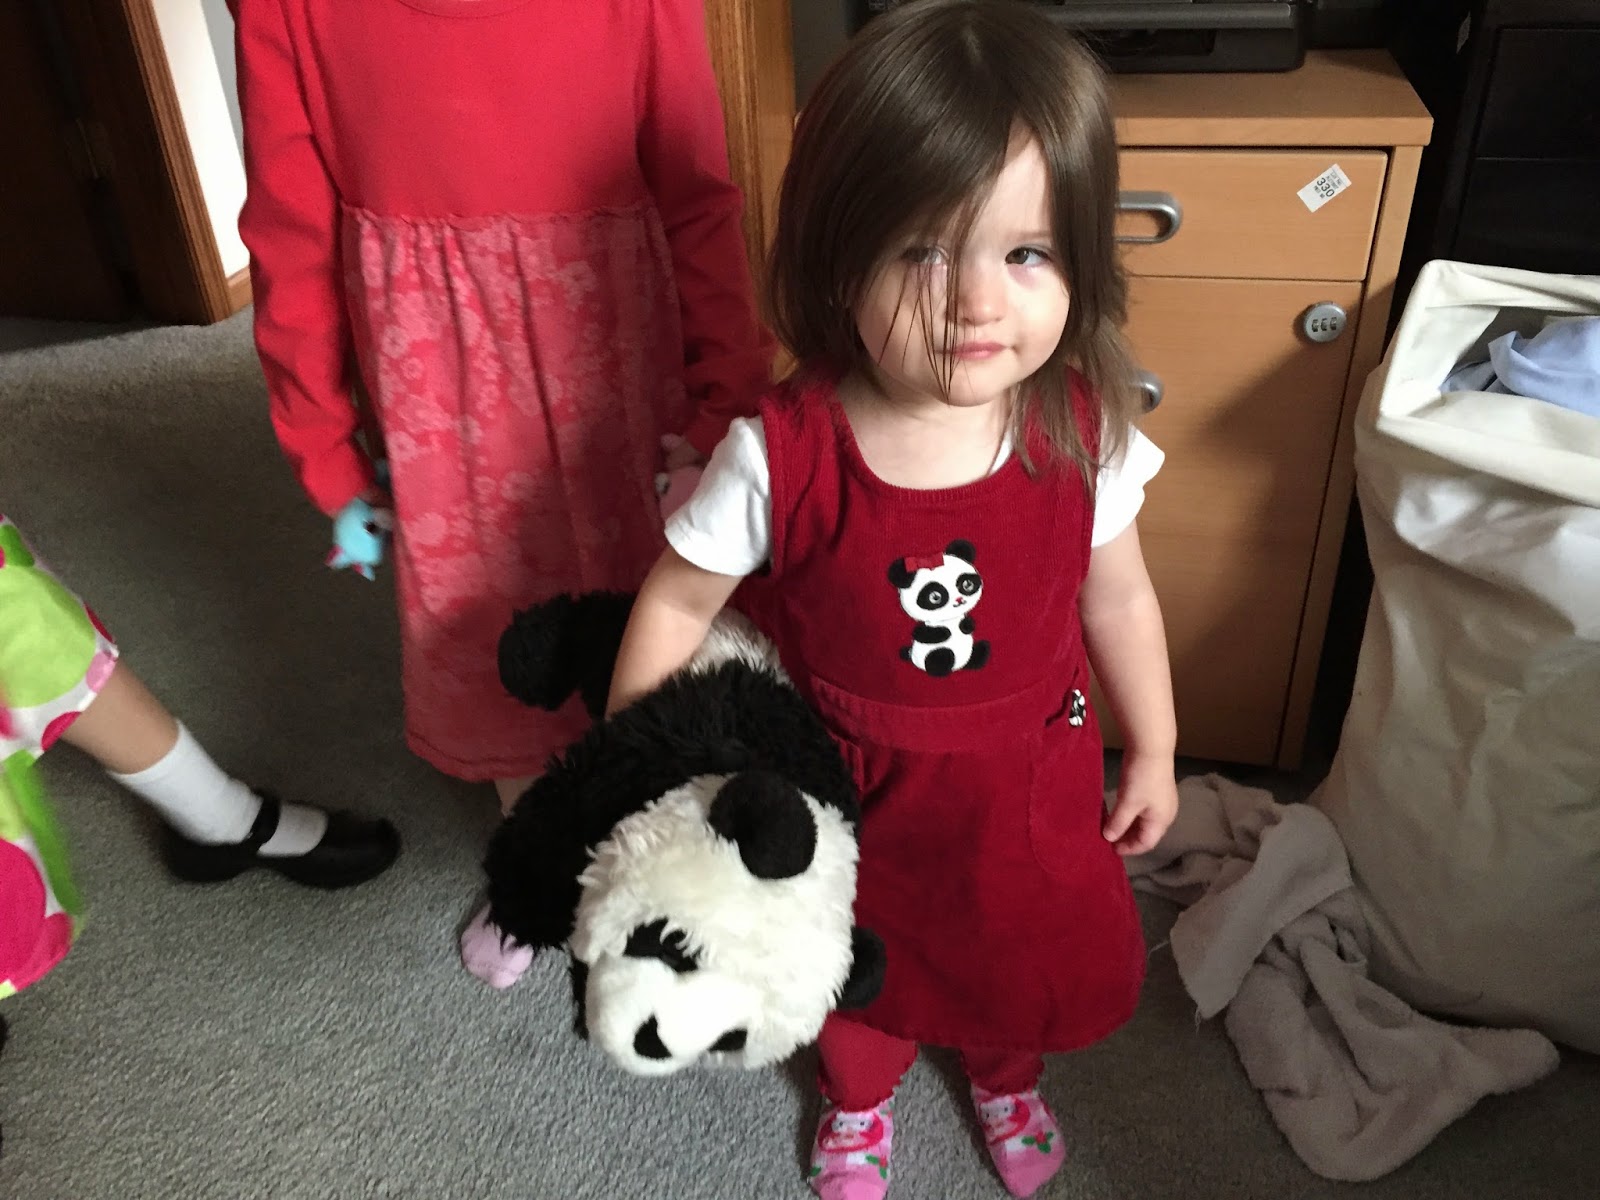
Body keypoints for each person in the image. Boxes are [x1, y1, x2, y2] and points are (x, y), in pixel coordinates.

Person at [601, 3, 1179, 1196]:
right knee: (854, 961)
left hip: (1026, 778)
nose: (976, 302)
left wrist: (1158, 748)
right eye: (922, 250)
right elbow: (676, 602)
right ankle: (857, 1098)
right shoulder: (781, 453)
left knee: (1012, 948)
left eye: (1025, 253)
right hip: (848, 784)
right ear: (837, 256)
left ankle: (1005, 1074)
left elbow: (1118, 599)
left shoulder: (1081, 432)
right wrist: (635, 759)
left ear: (1081, 259)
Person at [229, 0, 774, 985]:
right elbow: (289, 244)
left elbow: (700, 200)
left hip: (619, 383)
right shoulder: (289, 13)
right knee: (491, 636)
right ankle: (545, 862)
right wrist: (326, 451)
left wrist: (723, 394)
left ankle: (671, 864)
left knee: (651, 625)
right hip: (443, 416)